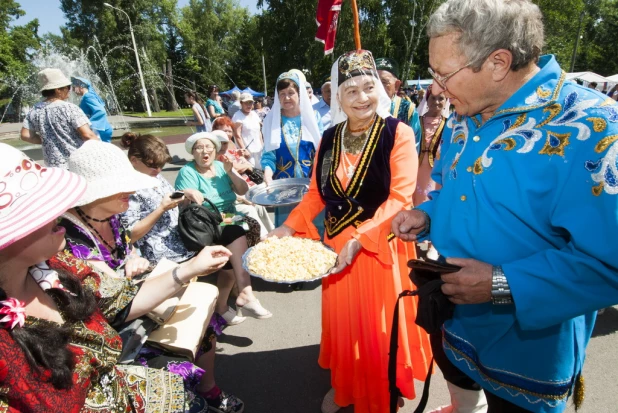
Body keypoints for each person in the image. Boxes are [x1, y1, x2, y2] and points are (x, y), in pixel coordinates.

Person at [392, 1, 618, 412]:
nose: (437, 89)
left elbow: (610, 263)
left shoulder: (597, 129)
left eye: (443, 74)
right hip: (459, 324)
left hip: (530, 353)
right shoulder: (466, 110)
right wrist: (429, 216)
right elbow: (456, 190)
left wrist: (502, 284)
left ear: (498, 62)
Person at [0, 143, 243, 412]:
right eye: (40, 209)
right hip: (128, 356)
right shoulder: (69, 244)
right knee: (181, 368)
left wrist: (190, 268)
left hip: (124, 375)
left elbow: (120, 298)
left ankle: (206, 392)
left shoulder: (56, 265)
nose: (58, 213)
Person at [269, 50, 432, 413]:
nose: (362, 97)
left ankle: (380, 390)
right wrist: (286, 227)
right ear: (337, 97)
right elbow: (315, 195)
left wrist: (362, 238)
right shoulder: (329, 138)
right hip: (334, 250)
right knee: (345, 326)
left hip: (378, 248)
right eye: (351, 90)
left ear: (380, 90)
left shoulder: (398, 133)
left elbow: (400, 197)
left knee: (378, 329)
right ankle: (347, 385)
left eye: (368, 87)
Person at [176, 132, 272, 319]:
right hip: (204, 222)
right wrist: (187, 193)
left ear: (215, 150)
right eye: (199, 148)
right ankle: (245, 291)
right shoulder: (188, 171)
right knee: (236, 230)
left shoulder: (221, 166)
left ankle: (223, 305)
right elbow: (184, 207)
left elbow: (243, 190)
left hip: (228, 216)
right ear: (192, 152)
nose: (204, 151)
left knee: (243, 237)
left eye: (209, 147)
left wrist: (230, 172)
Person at [261, 71, 324, 227]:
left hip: (311, 186)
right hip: (283, 189)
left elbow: (321, 151)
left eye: (291, 93)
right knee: (287, 231)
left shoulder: (313, 117)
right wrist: (268, 177)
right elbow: (269, 155)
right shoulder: (271, 119)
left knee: (314, 228)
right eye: (282, 94)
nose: (286, 98)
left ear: (300, 94)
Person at [20, 68, 98, 169]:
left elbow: (25, 135)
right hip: (76, 164)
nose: (70, 90)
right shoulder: (69, 108)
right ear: (58, 90)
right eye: (67, 87)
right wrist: (102, 151)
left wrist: (48, 140)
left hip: (53, 167)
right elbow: (88, 135)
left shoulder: (34, 110)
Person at [375, 58, 422, 142]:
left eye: (384, 82)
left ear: (396, 85)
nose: (378, 87)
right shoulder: (364, 107)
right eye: (374, 82)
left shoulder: (407, 110)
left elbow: (414, 145)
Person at [71, 76, 114, 142]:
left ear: (81, 86)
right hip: (100, 129)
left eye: (74, 87)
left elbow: (100, 111)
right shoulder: (87, 96)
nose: (73, 90)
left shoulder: (88, 96)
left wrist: (88, 125)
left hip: (97, 131)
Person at [232, 92, 264, 168]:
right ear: (241, 103)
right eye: (246, 103)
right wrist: (244, 150)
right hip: (248, 151)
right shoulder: (237, 115)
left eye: (250, 102)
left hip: (258, 149)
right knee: (251, 172)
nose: (249, 105)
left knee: (261, 170)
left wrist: (262, 145)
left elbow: (259, 131)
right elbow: (237, 135)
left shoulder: (254, 114)